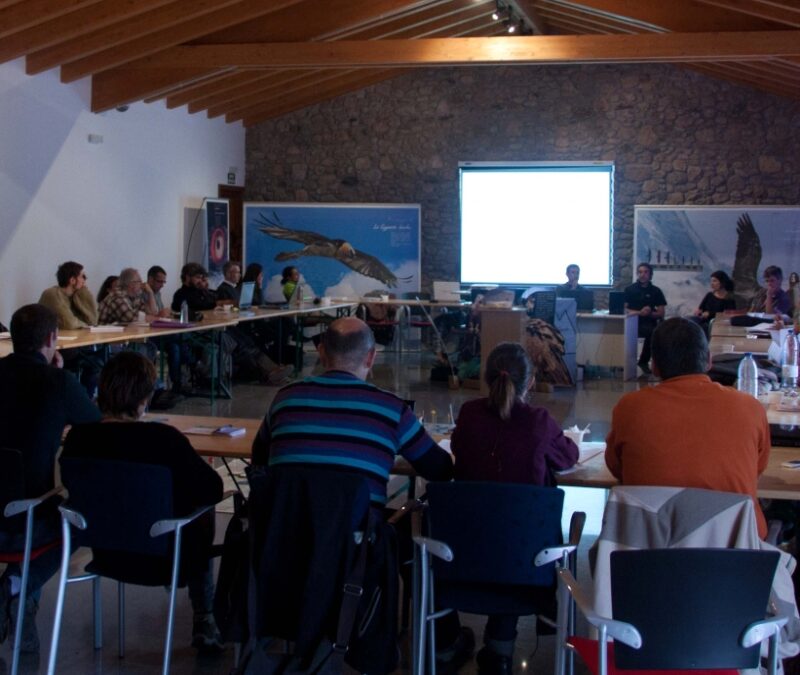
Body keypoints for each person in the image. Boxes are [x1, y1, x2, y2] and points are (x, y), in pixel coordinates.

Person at [61, 352, 224, 651]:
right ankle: (205, 616)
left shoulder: (78, 439)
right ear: (145, 398)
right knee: (202, 512)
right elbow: (211, 490)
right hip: (164, 561)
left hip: (105, 555)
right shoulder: (163, 439)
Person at [449, 342, 579, 672]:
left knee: (495, 519)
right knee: (513, 524)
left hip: (463, 550)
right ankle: (500, 648)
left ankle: (445, 638)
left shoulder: (469, 414)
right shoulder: (539, 420)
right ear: (531, 382)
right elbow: (568, 457)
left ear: (484, 377)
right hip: (526, 559)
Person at [252, 316, 453, 505]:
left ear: (321, 352)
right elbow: (440, 469)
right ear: (371, 357)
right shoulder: (391, 410)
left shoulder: (285, 398)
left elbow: (260, 457)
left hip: (283, 536)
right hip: (358, 539)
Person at [605, 317, 771, 538]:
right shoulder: (750, 408)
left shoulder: (629, 407)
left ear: (654, 365)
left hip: (651, 556)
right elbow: (757, 468)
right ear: (709, 360)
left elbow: (618, 467)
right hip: (736, 554)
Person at [0, 304, 101, 652]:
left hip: (6, 511)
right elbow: (94, 422)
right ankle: (15, 585)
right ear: (52, 338)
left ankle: (20, 607)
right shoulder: (56, 382)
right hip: (28, 516)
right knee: (78, 522)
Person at [38, 261, 102, 396]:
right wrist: (85, 324)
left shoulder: (74, 296)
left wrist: (83, 292)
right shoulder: (53, 294)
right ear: (72, 280)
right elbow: (70, 323)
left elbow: (93, 320)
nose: (85, 280)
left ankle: (86, 398)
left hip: (71, 343)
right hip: (53, 346)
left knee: (98, 357)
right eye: (83, 277)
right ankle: (85, 399)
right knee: (95, 361)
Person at [624, 262, 666, 376]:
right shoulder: (629, 289)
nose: (642, 275)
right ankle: (622, 363)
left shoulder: (656, 291)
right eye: (640, 272)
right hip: (631, 321)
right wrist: (639, 312)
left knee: (654, 332)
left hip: (649, 321)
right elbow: (623, 309)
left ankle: (643, 361)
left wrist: (649, 313)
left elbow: (661, 312)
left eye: (646, 272)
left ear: (651, 275)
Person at [691, 270, 736, 334]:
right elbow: (700, 309)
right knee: (688, 321)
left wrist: (710, 314)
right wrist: (698, 312)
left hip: (716, 325)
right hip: (703, 321)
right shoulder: (709, 295)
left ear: (722, 282)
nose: (711, 283)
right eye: (711, 281)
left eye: (714, 281)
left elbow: (728, 315)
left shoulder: (729, 299)